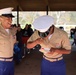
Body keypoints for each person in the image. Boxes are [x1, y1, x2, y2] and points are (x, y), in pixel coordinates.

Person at [0, 7, 16, 75]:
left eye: (11, 18)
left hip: (11, 61)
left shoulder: (12, 31)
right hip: (1, 63)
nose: (10, 21)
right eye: (8, 18)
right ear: (0, 18)